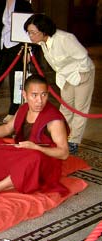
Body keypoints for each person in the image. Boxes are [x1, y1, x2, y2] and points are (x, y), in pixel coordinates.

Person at [0, 74, 70, 198]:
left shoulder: (53, 120)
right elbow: (7, 128)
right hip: (24, 151)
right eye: (34, 95)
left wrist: (37, 148)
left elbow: (64, 153)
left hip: (44, 160)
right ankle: (15, 179)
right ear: (25, 95)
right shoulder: (24, 108)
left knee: (33, 158)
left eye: (44, 95)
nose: (40, 100)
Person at [24, 14, 95, 155]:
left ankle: (74, 141)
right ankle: (59, 135)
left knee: (80, 109)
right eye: (29, 32)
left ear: (43, 31)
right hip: (65, 76)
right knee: (66, 107)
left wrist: (80, 75)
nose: (30, 36)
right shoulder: (43, 43)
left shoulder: (65, 39)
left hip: (82, 74)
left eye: (32, 32)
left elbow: (83, 55)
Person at [0, 0, 33, 123]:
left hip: (18, 47)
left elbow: (33, 27)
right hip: (3, 45)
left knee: (16, 79)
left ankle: (13, 112)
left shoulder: (24, 4)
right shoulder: (0, 4)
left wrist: (29, 51)